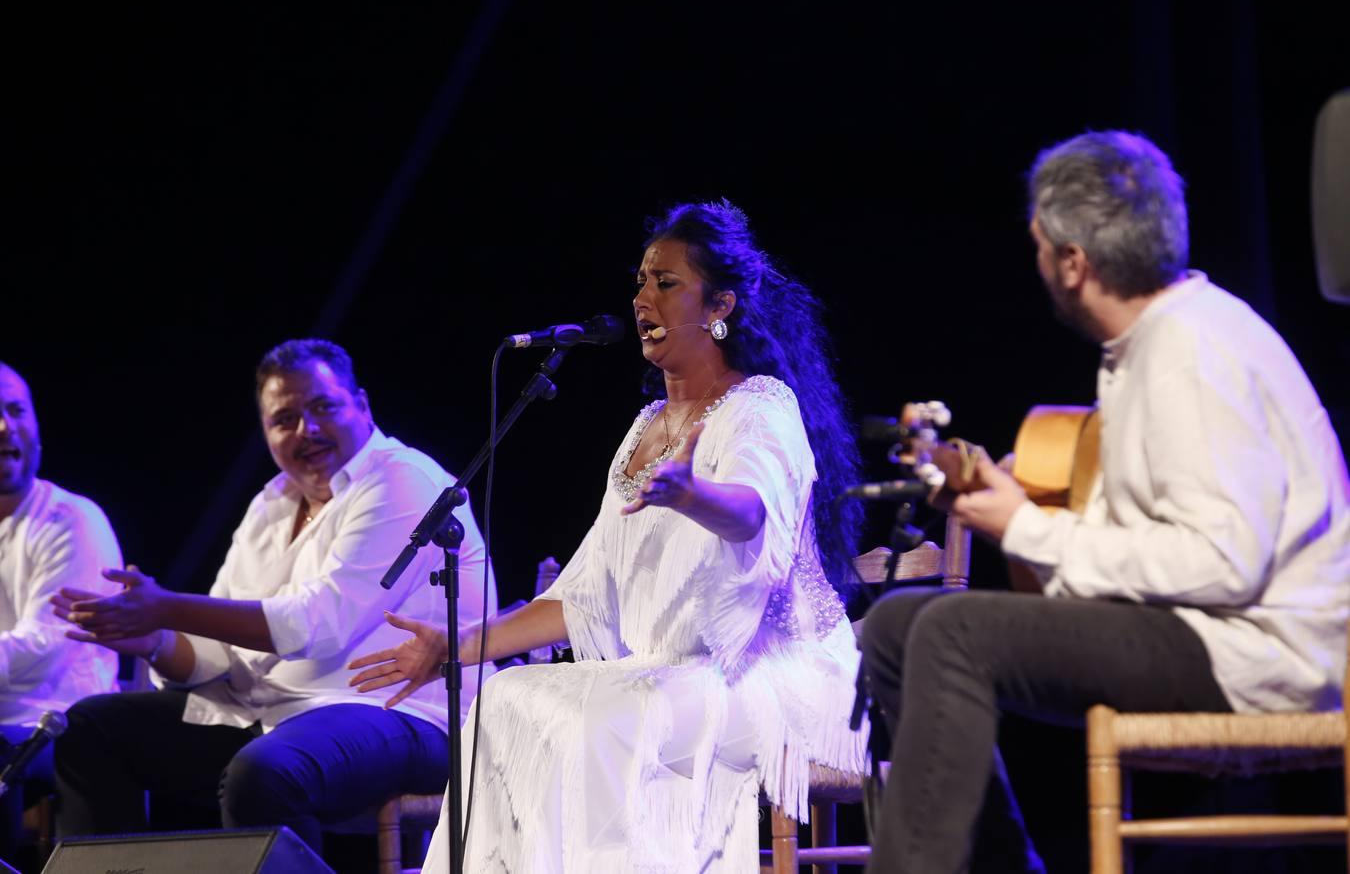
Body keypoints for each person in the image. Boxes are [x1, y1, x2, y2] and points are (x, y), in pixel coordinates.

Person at [860, 131, 1350, 873]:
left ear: (1072, 262)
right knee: (898, 624)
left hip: (1258, 653)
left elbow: (1221, 561)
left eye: (1037, 246)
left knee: (956, 631)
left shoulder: (1189, 350)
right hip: (1202, 629)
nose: (1036, 265)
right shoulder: (1151, 345)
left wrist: (1029, 529)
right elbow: (1168, 538)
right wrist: (1025, 518)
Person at [350, 200, 867, 872]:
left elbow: (753, 513)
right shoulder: (645, 425)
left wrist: (694, 493)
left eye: (666, 283)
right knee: (504, 702)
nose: (642, 299)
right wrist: (457, 647)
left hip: (759, 672)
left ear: (721, 307)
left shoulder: (760, 406)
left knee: (606, 722)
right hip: (664, 672)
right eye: (641, 282)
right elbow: (581, 598)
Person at [51, 339, 499, 854]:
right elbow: (216, 652)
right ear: (266, 433)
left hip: (402, 715)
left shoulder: (401, 480)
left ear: (363, 404)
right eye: (284, 419)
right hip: (273, 712)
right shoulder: (272, 502)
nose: (306, 430)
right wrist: (154, 639)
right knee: (90, 729)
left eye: (323, 407)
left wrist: (167, 606)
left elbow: (317, 624)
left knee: (265, 771)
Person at [0, 363, 120, 860]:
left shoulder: (70, 519)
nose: (5, 427)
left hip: (58, 724)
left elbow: (45, 645)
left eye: (15, 410)